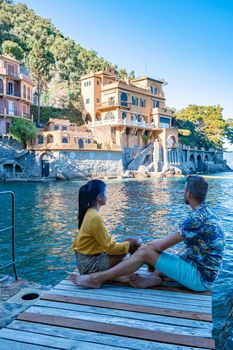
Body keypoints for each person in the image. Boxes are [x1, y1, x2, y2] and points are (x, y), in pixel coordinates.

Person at [71, 175, 225, 291]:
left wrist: (143, 248)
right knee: (164, 253)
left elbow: (160, 245)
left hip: (200, 278)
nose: (183, 192)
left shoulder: (195, 218)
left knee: (146, 252)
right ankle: (154, 278)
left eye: (184, 190)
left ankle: (96, 278)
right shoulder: (207, 213)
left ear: (189, 194)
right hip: (197, 267)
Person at [72, 179, 141, 277]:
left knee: (128, 242)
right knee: (132, 244)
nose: (108, 196)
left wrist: (128, 243)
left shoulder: (89, 212)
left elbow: (106, 246)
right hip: (89, 266)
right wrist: (133, 243)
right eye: (106, 193)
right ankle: (142, 267)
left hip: (85, 262)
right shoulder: (95, 217)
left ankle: (125, 273)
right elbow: (111, 248)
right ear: (99, 197)